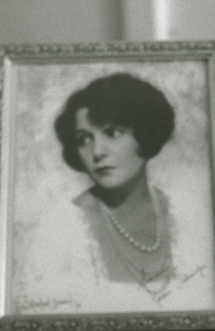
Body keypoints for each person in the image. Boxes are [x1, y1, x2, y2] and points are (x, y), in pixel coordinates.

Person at [54, 73, 176, 297]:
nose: (97, 152)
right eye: (83, 139)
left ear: (146, 133)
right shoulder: (67, 223)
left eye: (112, 132)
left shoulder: (179, 211)